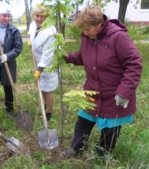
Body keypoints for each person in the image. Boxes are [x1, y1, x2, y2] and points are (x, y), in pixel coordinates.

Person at [61, 6, 142, 158]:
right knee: (83, 121)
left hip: (114, 93)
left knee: (110, 128)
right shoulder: (88, 37)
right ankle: (75, 149)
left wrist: (124, 91)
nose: (84, 33)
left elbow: (134, 63)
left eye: (87, 29)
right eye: (83, 29)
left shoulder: (118, 37)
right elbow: (81, 56)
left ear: (99, 23)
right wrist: (65, 56)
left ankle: (102, 156)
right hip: (92, 91)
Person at [28, 4, 58, 121]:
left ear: (48, 17)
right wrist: (31, 40)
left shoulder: (51, 32)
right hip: (39, 60)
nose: (39, 19)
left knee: (48, 88)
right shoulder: (33, 25)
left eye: (43, 16)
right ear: (33, 15)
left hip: (49, 63)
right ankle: (45, 106)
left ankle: (49, 113)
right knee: (43, 86)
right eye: (37, 16)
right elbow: (32, 33)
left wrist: (39, 70)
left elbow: (47, 53)